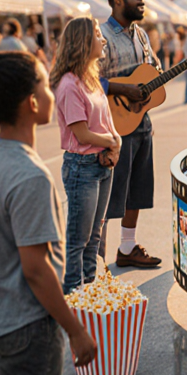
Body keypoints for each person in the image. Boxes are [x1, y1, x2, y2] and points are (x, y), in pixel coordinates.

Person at [0, 43, 97, 375]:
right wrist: (75, 330)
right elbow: (36, 269)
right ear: (31, 103)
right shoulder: (30, 176)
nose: (52, 92)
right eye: (45, 85)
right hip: (26, 326)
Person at [50, 17, 122, 294]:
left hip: (102, 164)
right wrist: (112, 142)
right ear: (83, 41)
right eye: (97, 34)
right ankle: (72, 296)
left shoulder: (91, 79)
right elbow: (81, 134)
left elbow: (106, 120)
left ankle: (89, 295)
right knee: (78, 240)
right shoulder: (69, 85)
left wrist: (115, 143)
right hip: (82, 167)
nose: (103, 39)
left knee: (95, 237)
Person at [99, 0, 163, 269]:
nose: (142, 1)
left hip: (141, 124)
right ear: (117, 0)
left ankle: (127, 248)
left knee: (137, 189)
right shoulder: (101, 36)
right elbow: (89, 81)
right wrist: (124, 89)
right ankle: (95, 258)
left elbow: (153, 69)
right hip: (112, 126)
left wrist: (153, 79)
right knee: (108, 194)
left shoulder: (141, 35)